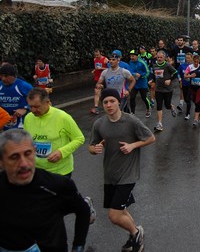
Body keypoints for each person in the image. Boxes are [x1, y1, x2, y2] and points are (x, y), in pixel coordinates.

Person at [0, 129, 90, 252]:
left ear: (35, 152)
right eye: (14, 157)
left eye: (28, 154)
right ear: (1, 162)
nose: (24, 164)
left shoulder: (57, 185)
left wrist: (78, 247)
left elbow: (83, 211)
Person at [89, 88, 155, 252]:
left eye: (112, 101)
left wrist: (132, 145)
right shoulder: (99, 124)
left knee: (114, 215)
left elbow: (150, 138)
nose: (109, 105)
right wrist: (95, 148)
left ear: (119, 102)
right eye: (105, 102)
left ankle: (136, 234)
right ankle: (135, 234)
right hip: (110, 174)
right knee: (122, 210)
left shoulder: (131, 121)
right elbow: (91, 146)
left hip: (128, 174)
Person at [23, 88, 85, 177]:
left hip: (60, 172)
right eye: (30, 106)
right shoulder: (28, 118)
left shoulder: (63, 117)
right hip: (36, 170)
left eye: (37, 107)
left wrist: (61, 152)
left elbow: (79, 138)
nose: (33, 110)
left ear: (47, 102)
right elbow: (26, 140)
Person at [148, 50, 178, 131]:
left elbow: (175, 73)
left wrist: (170, 80)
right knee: (159, 106)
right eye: (158, 57)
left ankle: (171, 107)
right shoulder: (154, 66)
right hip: (158, 89)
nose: (159, 59)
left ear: (164, 58)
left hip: (168, 89)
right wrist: (151, 80)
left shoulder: (167, 65)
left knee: (167, 105)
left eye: (161, 57)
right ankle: (160, 124)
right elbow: (153, 75)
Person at [0, 63, 33, 130]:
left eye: (6, 76)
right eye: (1, 76)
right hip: (5, 124)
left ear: (14, 76)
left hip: (22, 124)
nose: (3, 78)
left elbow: (38, 100)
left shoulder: (24, 86)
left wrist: (26, 109)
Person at [183, 54, 200, 127]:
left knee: (197, 102)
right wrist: (190, 76)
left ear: (199, 61)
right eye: (195, 62)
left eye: (197, 62)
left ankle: (195, 120)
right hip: (192, 87)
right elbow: (185, 76)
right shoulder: (190, 67)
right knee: (193, 100)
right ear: (192, 61)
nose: (196, 63)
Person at [128, 50, 151, 118]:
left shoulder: (142, 62)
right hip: (134, 84)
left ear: (137, 56)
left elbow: (147, 72)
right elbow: (129, 71)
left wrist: (140, 75)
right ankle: (132, 112)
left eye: (133, 56)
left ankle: (148, 109)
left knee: (144, 97)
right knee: (132, 98)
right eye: (131, 56)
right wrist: (133, 74)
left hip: (142, 83)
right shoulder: (130, 62)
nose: (132, 58)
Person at [91, 49, 109, 115]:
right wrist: (94, 70)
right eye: (95, 55)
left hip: (105, 78)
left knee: (107, 92)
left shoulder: (105, 59)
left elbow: (110, 68)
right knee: (97, 92)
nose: (97, 56)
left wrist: (101, 68)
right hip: (97, 78)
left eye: (98, 55)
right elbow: (96, 67)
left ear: (101, 53)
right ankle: (96, 108)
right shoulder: (95, 59)